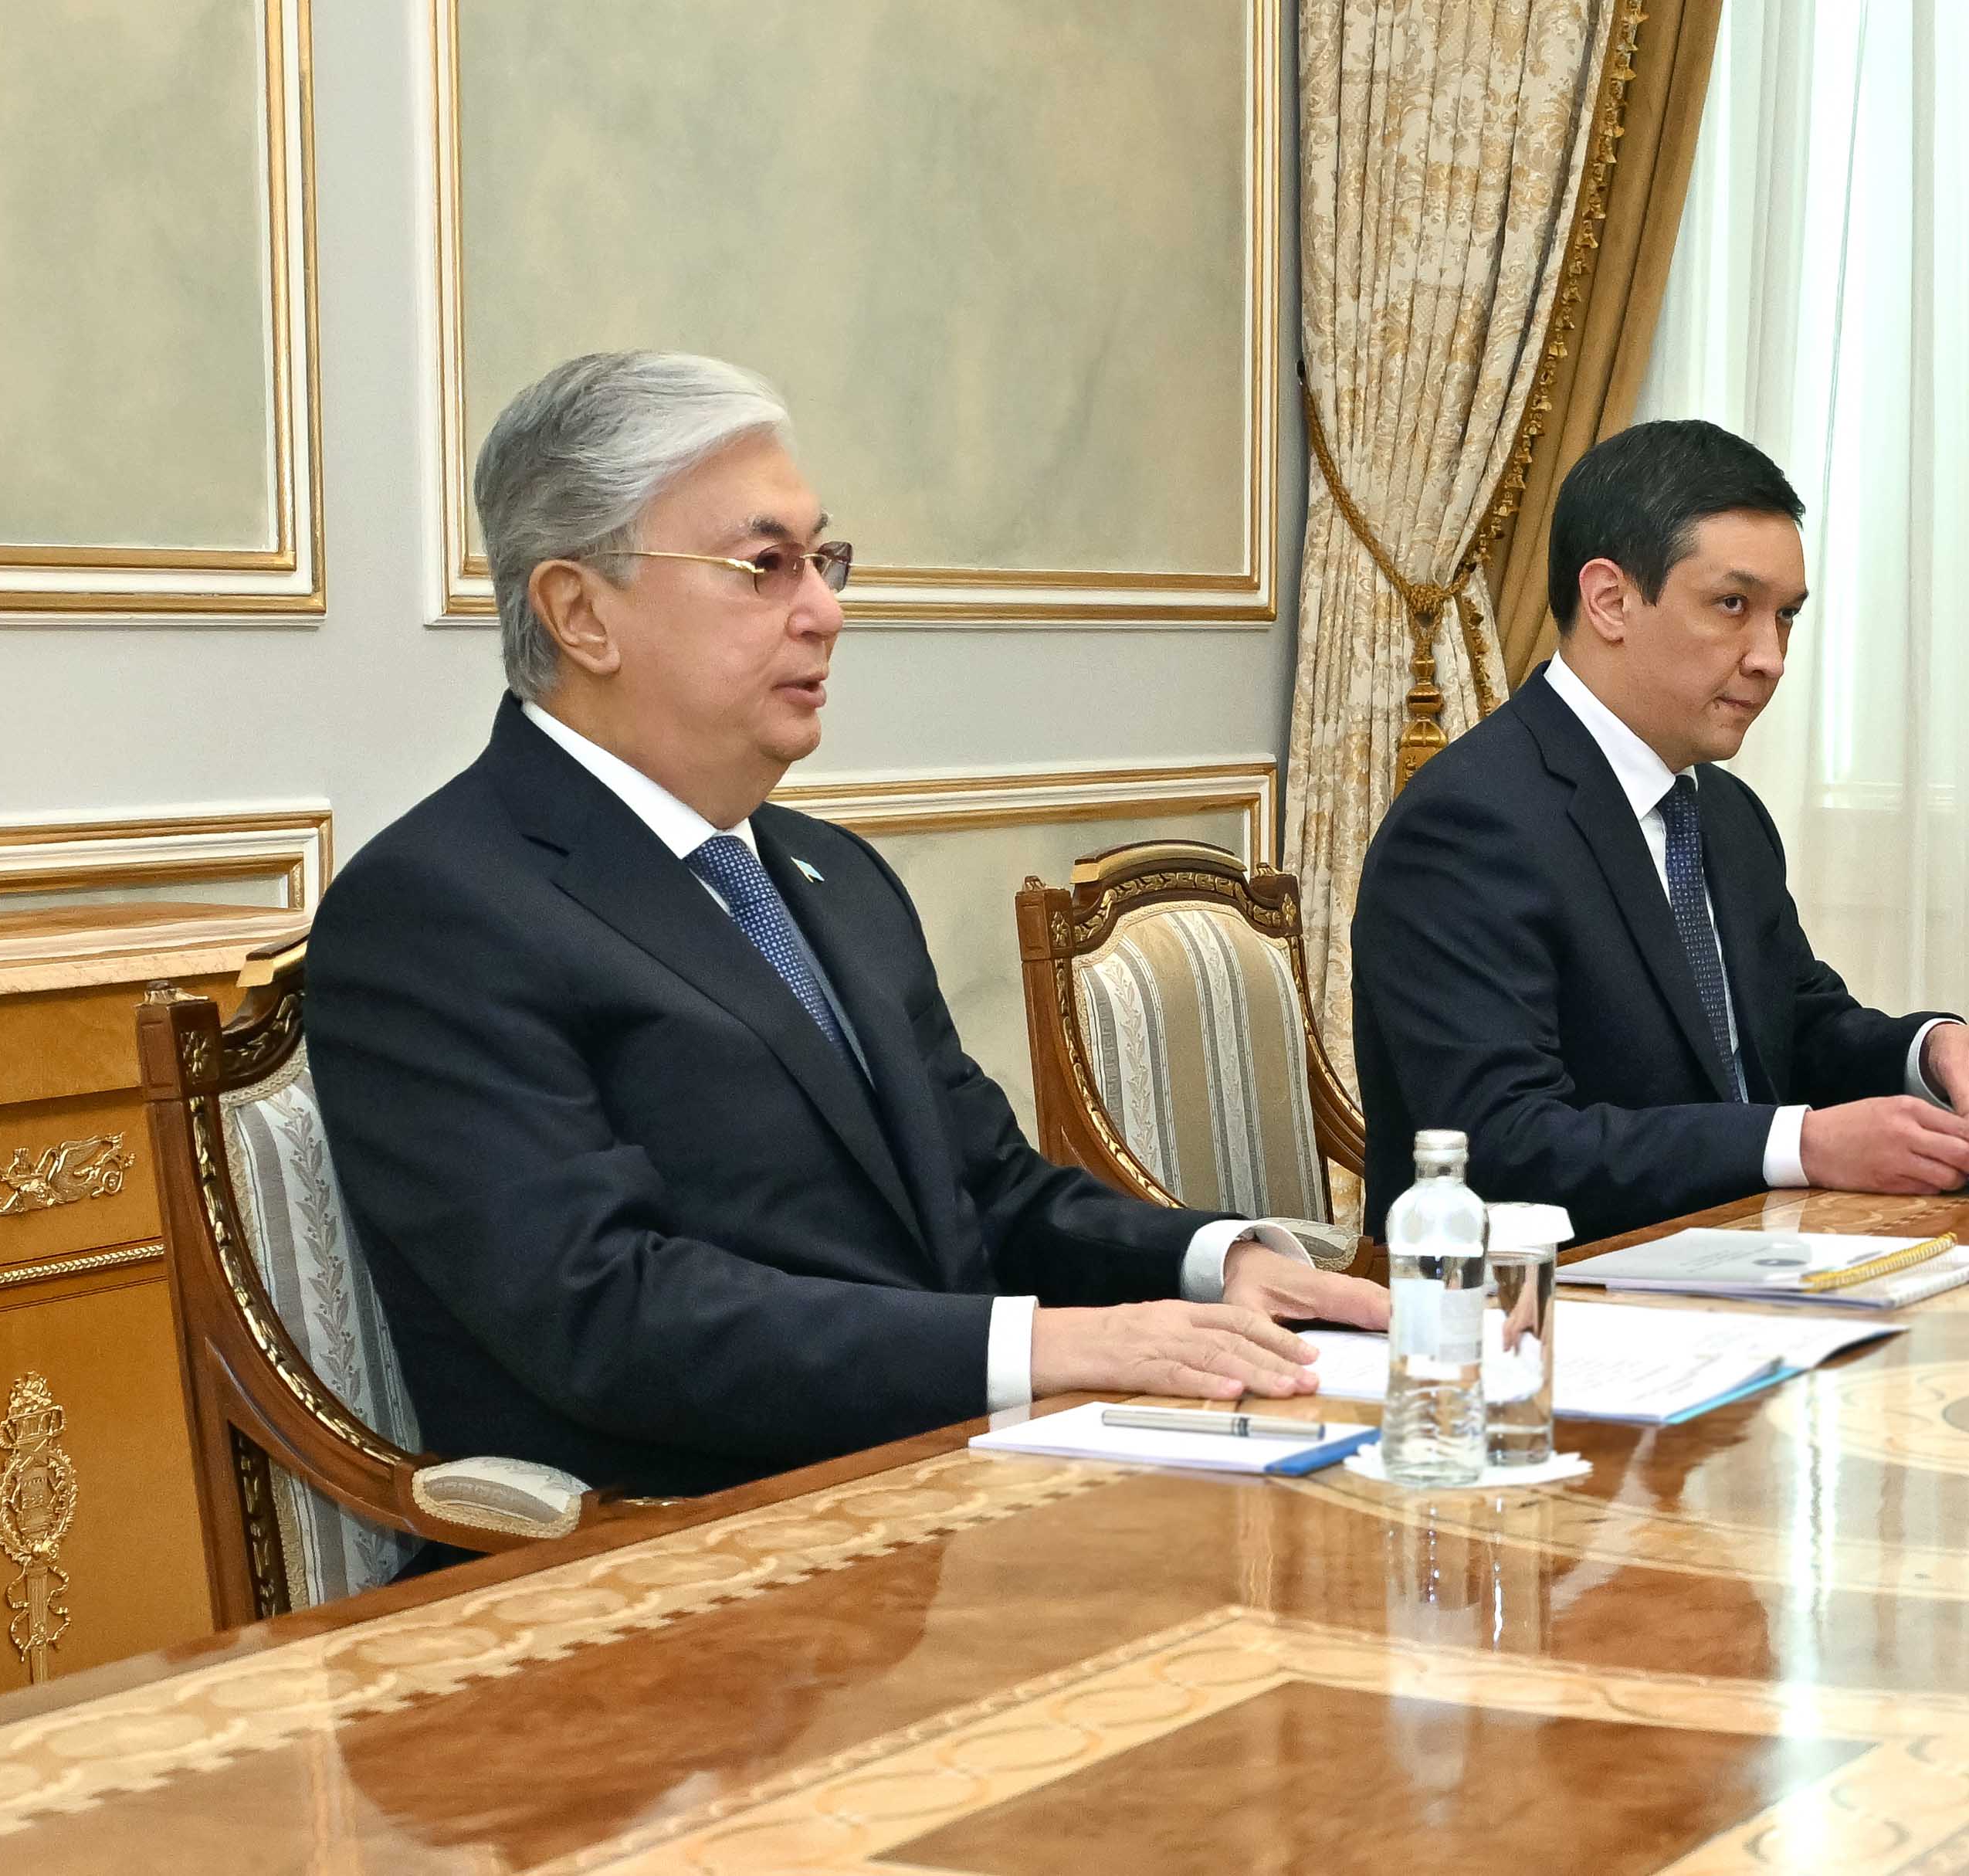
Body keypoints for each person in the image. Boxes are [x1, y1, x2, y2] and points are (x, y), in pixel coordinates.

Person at [310, 351, 1382, 1518]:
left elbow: (987, 1190)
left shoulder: (836, 873)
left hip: (958, 1493)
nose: (824, 610)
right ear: (580, 612)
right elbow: (608, 1315)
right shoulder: (436, 909)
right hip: (683, 1552)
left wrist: (1218, 1265)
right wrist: (1049, 1345)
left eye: (823, 560)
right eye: (764, 567)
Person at [1348, 419, 1969, 1230]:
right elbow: (1499, 1143)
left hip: (1743, 1260)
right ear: (1611, 600)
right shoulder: (1467, 825)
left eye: (1786, 615)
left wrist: (1928, 1053)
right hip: (1552, 1289)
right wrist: (1800, 1143)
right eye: (1733, 605)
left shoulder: (1724, 811)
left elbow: (1793, 1028)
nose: (1770, 656)